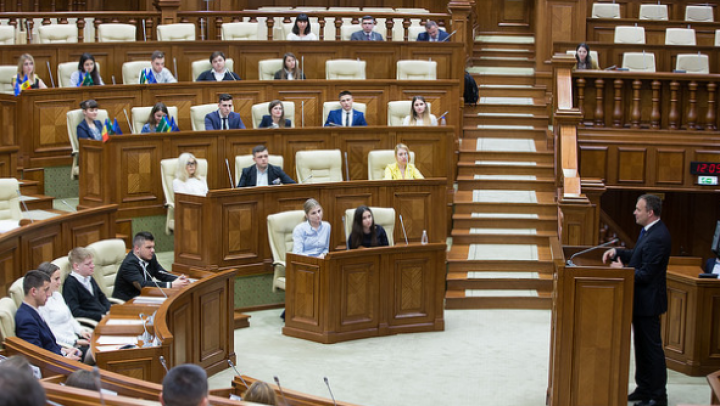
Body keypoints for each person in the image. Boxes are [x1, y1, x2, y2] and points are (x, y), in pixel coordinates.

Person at [602, 194, 670, 406]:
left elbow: (647, 273)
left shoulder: (659, 236)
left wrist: (624, 270)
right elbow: (639, 255)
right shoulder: (648, 231)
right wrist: (618, 252)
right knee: (641, 348)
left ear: (650, 213)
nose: (634, 212)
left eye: (638, 209)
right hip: (640, 302)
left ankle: (658, 396)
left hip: (649, 303)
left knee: (652, 351)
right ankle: (644, 388)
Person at [15, 270, 82, 361]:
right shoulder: (26, 320)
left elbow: (49, 344)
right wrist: (66, 360)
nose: (49, 294)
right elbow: (37, 357)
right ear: (34, 291)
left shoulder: (35, 311)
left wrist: (65, 350)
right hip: (56, 368)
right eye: (46, 290)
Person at [37, 262, 93, 358]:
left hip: (75, 338)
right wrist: (75, 341)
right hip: (66, 346)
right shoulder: (42, 304)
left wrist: (81, 331)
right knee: (98, 355)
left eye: (59, 278)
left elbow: (70, 318)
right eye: (56, 279)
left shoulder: (57, 295)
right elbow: (50, 332)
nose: (60, 282)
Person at [113, 232, 189, 301]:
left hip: (144, 297)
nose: (153, 250)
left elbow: (161, 273)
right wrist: (171, 285)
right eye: (148, 247)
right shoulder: (129, 264)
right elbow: (143, 285)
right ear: (137, 249)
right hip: (127, 302)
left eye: (153, 247)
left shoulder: (151, 257)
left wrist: (178, 279)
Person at [62, 247, 111, 323]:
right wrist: (100, 316)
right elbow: (75, 312)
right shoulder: (70, 284)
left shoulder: (89, 277)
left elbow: (102, 297)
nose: (93, 266)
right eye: (88, 264)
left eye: (92, 262)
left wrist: (109, 310)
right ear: (76, 266)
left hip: (105, 317)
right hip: (91, 323)